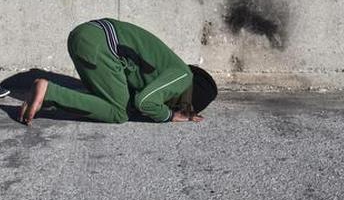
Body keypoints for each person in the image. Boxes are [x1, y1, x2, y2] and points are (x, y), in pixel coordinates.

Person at [19, 17, 217, 125]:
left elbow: (135, 99)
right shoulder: (183, 76)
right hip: (101, 45)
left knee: (110, 101)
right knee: (119, 113)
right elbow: (145, 102)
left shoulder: (167, 67)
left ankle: (45, 97)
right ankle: (49, 92)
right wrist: (169, 115)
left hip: (86, 36)